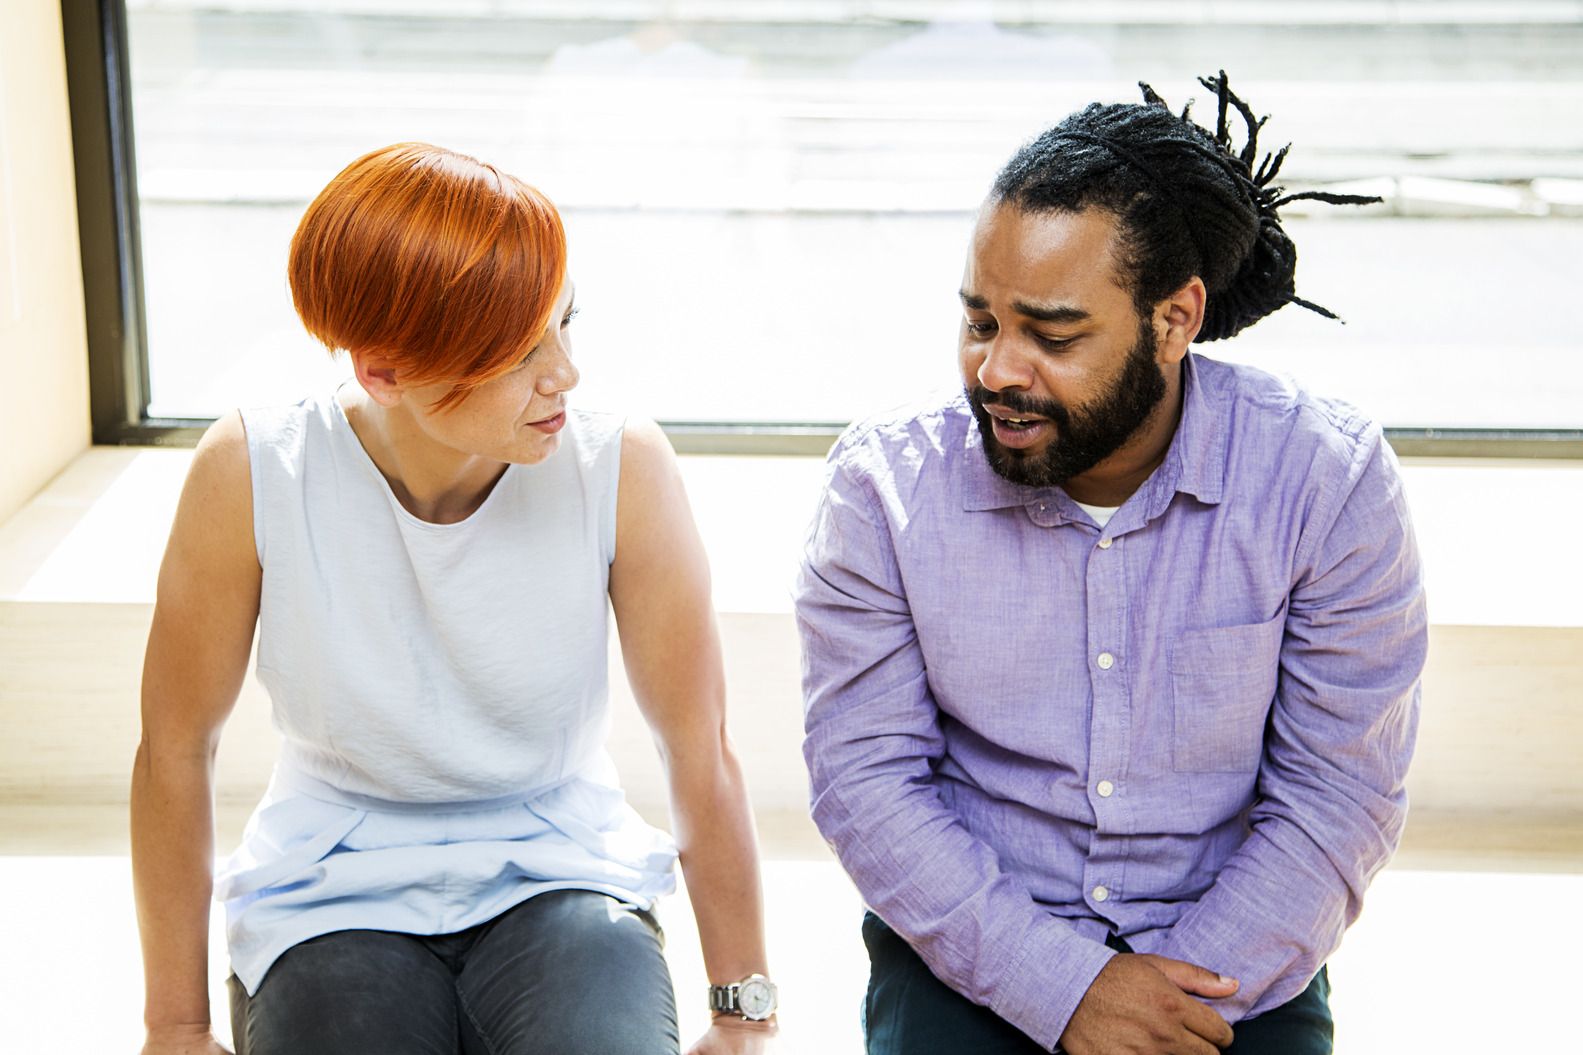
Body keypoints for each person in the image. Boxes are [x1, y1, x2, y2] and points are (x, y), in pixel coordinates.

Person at [795, 74, 1425, 1055]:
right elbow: (866, 778)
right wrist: (1065, 985)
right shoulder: (883, 488)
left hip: (1231, 958)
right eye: (979, 323)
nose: (999, 369)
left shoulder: (1324, 479)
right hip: (976, 942)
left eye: (1052, 334)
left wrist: (1169, 1001)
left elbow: (1337, 791)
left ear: (1173, 321)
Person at [132, 143, 778, 1055]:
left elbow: (698, 746)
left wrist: (742, 1014)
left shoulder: (620, 462)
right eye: (519, 352)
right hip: (330, 883)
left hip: (559, 870)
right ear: (384, 371)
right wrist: (176, 1027)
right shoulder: (253, 470)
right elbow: (172, 748)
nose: (564, 373)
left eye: (566, 323)